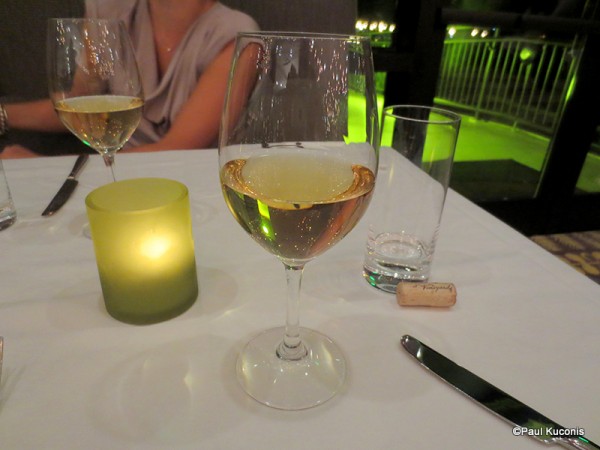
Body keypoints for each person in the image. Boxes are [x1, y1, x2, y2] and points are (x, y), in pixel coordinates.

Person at [0, 0, 259, 158]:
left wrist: (48, 168)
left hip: (182, 178)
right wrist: (3, 114)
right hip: (113, 169)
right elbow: (78, 105)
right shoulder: (110, 9)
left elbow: (178, 148)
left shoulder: (236, 34)